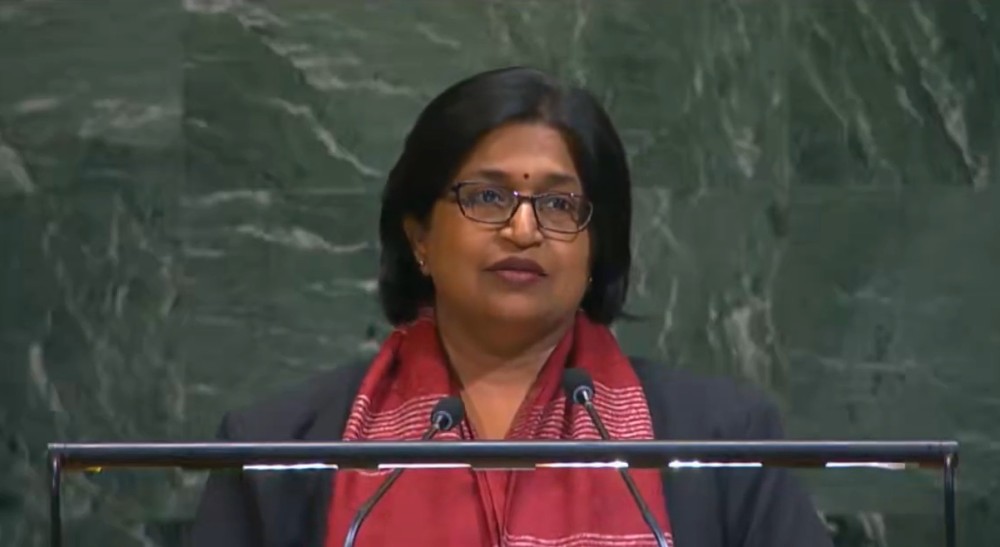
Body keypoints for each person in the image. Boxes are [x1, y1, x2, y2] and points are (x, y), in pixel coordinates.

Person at [189, 66, 833, 547]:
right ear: (419, 236)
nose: (524, 230)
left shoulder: (720, 442)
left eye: (558, 204)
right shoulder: (279, 451)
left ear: (593, 243)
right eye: (488, 199)